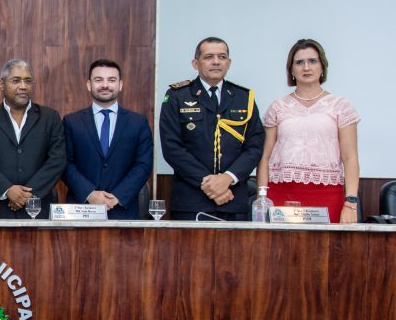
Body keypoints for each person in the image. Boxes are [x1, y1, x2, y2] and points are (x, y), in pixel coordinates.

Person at [159, 37, 265, 221]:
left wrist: (227, 178)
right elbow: (172, 148)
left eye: (222, 57)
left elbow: (255, 145)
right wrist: (210, 184)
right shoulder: (177, 96)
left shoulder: (244, 97)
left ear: (229, 63)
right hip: (191, 201)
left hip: (233, 199)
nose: (216, 62)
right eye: (209, 57)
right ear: (195, 63)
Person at [256, 39, 360, 223]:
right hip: (281, 195)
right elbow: (264, 157)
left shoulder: (340, 106)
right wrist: (262, 199)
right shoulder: (278, 107)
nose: (306, 67)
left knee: (326, 250)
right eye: (299, 62)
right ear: (291, 70)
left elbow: (350, 158)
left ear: (322, 66)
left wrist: (350, 203)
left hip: (327, 195)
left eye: (312, 61)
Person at [0, 59, 66, 219]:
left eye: (28, 81)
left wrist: (26, 195)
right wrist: (8, 190)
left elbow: (57, 160)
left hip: (38, 209)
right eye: (16, 81)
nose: (23, 86)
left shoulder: (50, 117)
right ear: (1, 84)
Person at [62, 59, 153, 219]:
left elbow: (143, 165)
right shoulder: (71, 122)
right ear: (89, 84)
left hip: (123, 209)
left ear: (120, 84)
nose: (105, 85)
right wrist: (90, 194)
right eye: (99, 80)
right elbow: (65, 163)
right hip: (82, 209)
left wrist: (117, 197)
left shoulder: (138, 122)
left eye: (111, 80)